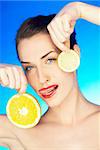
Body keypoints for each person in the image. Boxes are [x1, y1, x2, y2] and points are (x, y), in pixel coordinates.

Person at [0, 2, 100, 150]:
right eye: (29, 68)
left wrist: (79, 9)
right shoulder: (17, 131)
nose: (41, 78)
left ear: (75, 54)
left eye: (49, 60)